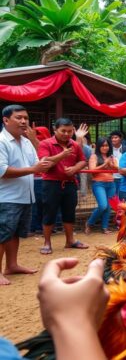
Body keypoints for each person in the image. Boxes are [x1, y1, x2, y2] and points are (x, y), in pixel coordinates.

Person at [0, 105, 48, 284]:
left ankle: (11, 265)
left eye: (26, 118)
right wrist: (33, 169)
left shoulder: (26, 141)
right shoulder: (1, 141)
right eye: (18, 118)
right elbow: (2, 170)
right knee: (2, 233)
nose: (23, 121)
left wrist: (45, 161)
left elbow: (37, 163)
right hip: (6, 197)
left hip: (24, 195)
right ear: (6, 120)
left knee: (14, 233)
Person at [37, 118, 88, 254]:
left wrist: (74, 168)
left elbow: (83, 161)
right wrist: (62, 155)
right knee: (49, 212)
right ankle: (47, 243)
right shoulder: (45, 143)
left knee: (69, 213)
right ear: (55, 130)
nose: (66, 134)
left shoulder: (75, 145)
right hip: (51, 183)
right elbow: (44, 162)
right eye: (63, 131)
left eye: (70, 131)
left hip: (70, 184)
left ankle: (70, 241)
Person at [85, 137, 117, 235]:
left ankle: (105, 227)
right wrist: (104, 164)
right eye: (102, 145)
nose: (105, 147)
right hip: (99, 183)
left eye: (107, 145)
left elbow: (117, 169)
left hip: (111, 183)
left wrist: (111, 165)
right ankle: (89, 223)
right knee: (103, 205)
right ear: (98, 146)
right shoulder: (94, 156)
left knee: (108, 207)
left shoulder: (112, 157)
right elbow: (92, 170)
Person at [109, 131, 126, 196]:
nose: (113, 139)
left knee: (122, 196)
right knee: (112, 197)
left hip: (123, 177)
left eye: (116, 137)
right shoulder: (108, 149)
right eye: (112, 138)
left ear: (120, 139)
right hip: (111, 177)